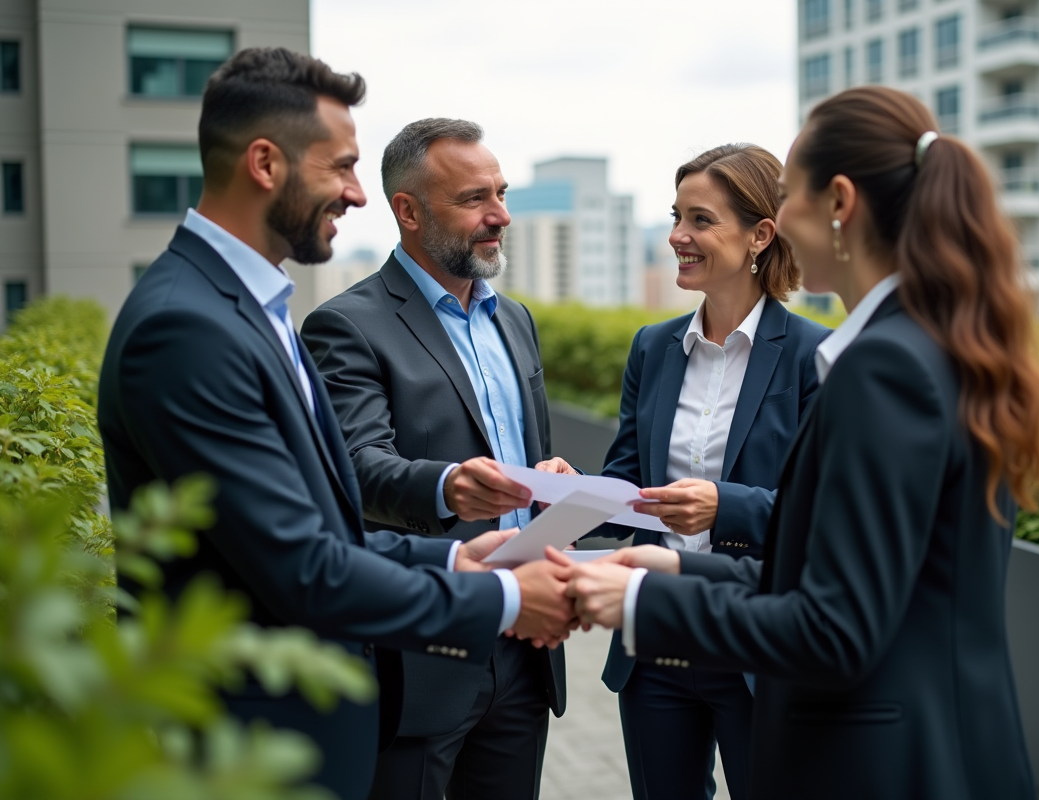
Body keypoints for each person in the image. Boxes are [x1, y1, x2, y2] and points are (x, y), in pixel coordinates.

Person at [562, 86, 1039, 799]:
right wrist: (674, 569)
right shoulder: (933, 343)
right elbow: (840, 576)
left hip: (891, 765)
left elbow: (834, 626)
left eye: (790, 197)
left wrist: (636, 599)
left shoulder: (885, 366)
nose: (784, 221)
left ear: (838, 202)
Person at [97, 50, 574, 800]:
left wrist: (456, 562)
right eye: (342, 167)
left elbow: (321, 530)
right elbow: (302, 570)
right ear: (264, 163)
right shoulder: (186, 327)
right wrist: (506, 597)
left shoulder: (245, 308)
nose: (358, 194)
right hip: (257, 745)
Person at [301, 118, 573, 800]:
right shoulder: (346, 325)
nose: (501, 216)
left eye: (502, 194)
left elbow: (523, 457)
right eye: (476, 199)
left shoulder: (515, 320)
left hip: (526, 645)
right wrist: (449, 486)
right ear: (409, 211)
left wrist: (552, 481)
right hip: (424, 654)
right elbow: (356, 471)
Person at [592, 144, 828, 800]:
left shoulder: (816, 357)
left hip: (757, 641)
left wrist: (724, 505)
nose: (677, 237)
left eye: (700, 220)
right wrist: (569, 489)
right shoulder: (653, 346)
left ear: (760, 234)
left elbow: (821, 517)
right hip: (656, 638)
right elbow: (629, 482)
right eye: (676, 217)